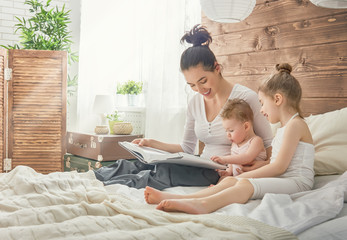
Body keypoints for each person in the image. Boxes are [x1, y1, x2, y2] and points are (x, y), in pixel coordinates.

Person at [93, 25, 273, 190]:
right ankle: (93, 179)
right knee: (141, 164)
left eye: (203, 81)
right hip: (202, 163)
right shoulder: (195, 103)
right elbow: (186, 148)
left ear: (217, 68)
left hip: (222, 172)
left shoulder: (246, 98)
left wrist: (264, 166)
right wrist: (151, 144)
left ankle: (111, 186)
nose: (200, 90)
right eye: (192, 85)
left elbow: (268, 146)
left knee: (165, 173)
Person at [144, 63, 315, 214]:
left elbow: (279, 167)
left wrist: (245, 177)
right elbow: (279, 162)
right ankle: (177, 197)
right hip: (285, 178)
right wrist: (260, 166)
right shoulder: (285, 128)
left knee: (243, 184)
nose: (261, 110)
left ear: (277, 99)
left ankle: (203, 204)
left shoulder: (295, 125)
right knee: (232, 180)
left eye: (262, 102)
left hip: (297, 182)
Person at [210, 98, 267, 180]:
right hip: (238, 179)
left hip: (253, 179)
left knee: (230, 183)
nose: (228, 135)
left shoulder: (256, 141)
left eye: (231, 130)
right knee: (223, 179)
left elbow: (247, 158)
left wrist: (224, 159)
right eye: (226, 131)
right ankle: (215, 190)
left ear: (246, 126)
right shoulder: (235, 144)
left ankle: (218, 190)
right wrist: (228, 172)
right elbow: (233, 163)